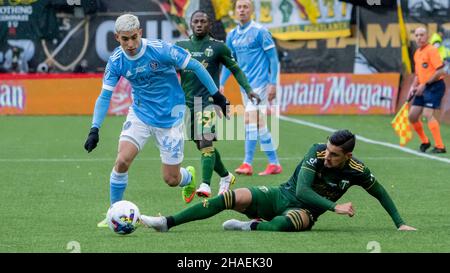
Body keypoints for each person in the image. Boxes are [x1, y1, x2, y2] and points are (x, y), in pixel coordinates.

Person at [83, 14, 230, 227]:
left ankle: (187, 177)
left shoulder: (161, 49)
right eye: (125, 39)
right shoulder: (116, 60)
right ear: (117, 37)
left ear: (140, 33)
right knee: (122, 161)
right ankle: (113, 213)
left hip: (170, 120)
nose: (131, 44)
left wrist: (217, 96)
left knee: (171, 179)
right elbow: (105, 95)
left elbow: (196, 66)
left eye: (134, 37)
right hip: (140, 115)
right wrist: (94, 129)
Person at [140, 130, 416, 232]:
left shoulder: (357, 170)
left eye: (333, 155)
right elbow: (302, 190)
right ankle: (167, 223)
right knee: (228, 198)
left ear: (348, 155)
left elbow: (380, 192)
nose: (326, 156)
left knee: (290, 222)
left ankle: (251, 226)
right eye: (327, 150)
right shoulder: (316, 151)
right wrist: (335, 207)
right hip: (280, 195)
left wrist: (400, 222)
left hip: (304, 212)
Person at [176, 10, 261, 198]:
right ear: (191, 24)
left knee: (206, 140)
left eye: (203, 21)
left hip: (209, 102)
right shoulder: (181, 47)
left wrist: (248, 90)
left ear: (210, 25)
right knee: (202, 145)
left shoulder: (218, 47)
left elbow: (235, 69)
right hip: (187, 104)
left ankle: (205, 185)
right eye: (196, 21)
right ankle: (225, 176)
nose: (199, 24)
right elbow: (168, 73)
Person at [220, 0, 282, 176]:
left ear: (252, 10)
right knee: (258, 123)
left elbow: (273, 59)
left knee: (249, 119)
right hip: (245, 87)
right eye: (239, 7)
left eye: (245, 7)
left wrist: (273, 83)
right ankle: (274, 163)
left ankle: (247, 163)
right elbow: (229, 62)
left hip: (260, 84)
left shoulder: (261, 32)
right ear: (235, 11)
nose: (242, 10)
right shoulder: (232, 35)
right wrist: (222, 84)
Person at [408, 27, 447, 154]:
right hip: (422, 86)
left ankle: (440, 146)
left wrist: (425, 84)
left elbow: (440, 71)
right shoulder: (417, 53)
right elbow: (418, 75)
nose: (419, 37)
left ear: (427, 36)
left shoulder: (432, 50)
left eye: (422, 35)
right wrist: (412, 87)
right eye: (417, 35)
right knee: (412, 116)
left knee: (427, 114)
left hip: (435, 86)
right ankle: (425, 141)